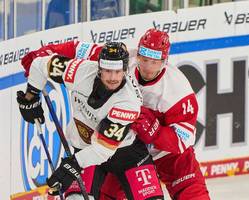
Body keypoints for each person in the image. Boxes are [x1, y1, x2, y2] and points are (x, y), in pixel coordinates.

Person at [21, 29, 210, 199]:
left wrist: (155, 132)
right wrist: (43, 54)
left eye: (154, 62)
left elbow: (183, 140)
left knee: (193, 195)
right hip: (124, 147)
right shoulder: (118, 62)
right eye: (144, 59)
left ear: (165, 61)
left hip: (167, 155)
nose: (146, 67)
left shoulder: (178, 91)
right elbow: (77, 48)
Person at [17, 42, 164, 200]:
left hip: (126, 153)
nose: (112, 78)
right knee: (75, 198)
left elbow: (102, 150)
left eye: (117, 71)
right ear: (99, 68)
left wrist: (71, 165)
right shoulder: (79, 71)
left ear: (125, 70)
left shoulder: (128, 103)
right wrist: (31, 95)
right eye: (107, 71)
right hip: (86, 148)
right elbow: (40, 65)